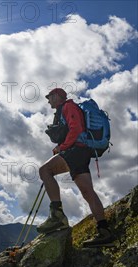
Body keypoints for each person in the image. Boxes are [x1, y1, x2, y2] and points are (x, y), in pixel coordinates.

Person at [37, 88, 114, 247]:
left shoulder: (68, 107)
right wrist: (62, 146)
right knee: (87, 192)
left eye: (49, 97)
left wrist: (62, 147)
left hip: (77, 150)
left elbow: (76, 128)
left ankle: (57, 216)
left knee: (45, 170)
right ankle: (105, 231)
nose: (48, 100)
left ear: (57, 96)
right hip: (82, 152)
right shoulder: (64, 110)